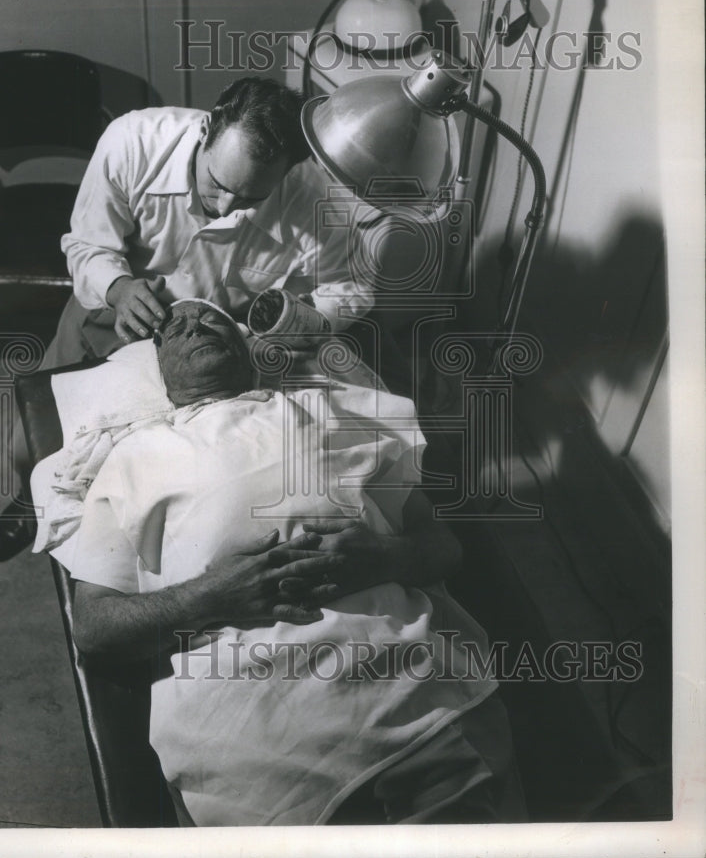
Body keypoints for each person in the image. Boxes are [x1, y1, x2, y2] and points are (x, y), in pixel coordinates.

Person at [61, 299, 525, 826]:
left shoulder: (331, 410)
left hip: (408, 693)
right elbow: (95, 626)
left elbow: (443, 545)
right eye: (174, 328)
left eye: (211, 317)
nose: (195, 324)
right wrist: (213, 595)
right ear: (160, 370)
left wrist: (383, 558)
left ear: (244, 347)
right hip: (249, 727)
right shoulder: (131, 459)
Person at [0, 77, 375, 560]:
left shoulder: (313, 195)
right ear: (208, 128)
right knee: (30, 447)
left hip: (215, 346)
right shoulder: (133, 142)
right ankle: (31, 500)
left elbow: (354, 288)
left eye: (251, 200)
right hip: (114, 313)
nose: (225, 208)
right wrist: (118, 287)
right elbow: (87, 243)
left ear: (288, 172)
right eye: (217, 184)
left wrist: (297, 322)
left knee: (165, 479)